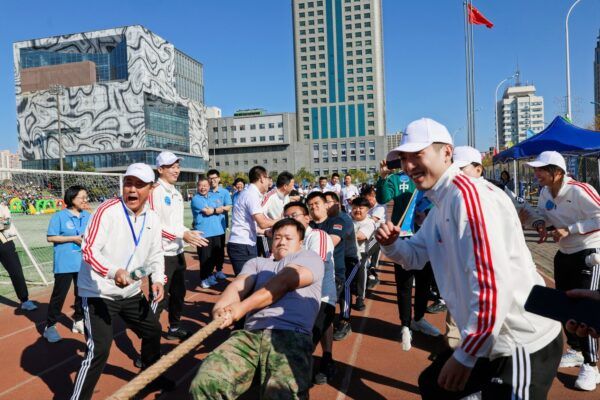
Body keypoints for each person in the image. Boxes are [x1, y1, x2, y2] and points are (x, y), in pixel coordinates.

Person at [376, 117, 562, 399]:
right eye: (403, 158)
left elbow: (491, 284)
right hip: (491, 340)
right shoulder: (441, 203)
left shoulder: (468, 198)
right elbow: (414, 254)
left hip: (519, 343)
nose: (408, 166)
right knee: (433, 385)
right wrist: (390, 245)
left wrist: (466, 355)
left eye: (417, 154)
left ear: (447, 152)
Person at [190, 219, 324, 399]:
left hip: (291, 335)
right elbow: (238, 286)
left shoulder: (309, 257)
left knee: (282, 394)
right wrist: (220, 309)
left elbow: (284, 282)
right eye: (277, 237)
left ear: (300, 243)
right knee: (206, 383)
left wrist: (240, 309)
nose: (281, 241)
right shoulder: (257, 263)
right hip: (249, 335)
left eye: (288, 238)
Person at [70, 163, 172, 400]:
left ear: (151, 189)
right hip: (98, 293)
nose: (132, 190)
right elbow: (89, 250)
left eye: (139, 185)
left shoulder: (152, 218)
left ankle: (149, 376)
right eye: (128, 183)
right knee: (99, 351)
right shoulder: (107, 211)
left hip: (131, 293)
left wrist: (157, 279)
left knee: (152, 330)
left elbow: (156, 253)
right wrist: (113, 271)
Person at [525, 151, 600, 391]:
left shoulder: (579, 190)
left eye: (541, 170)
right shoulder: (545, 193)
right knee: (565, 304)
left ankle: (591, 365)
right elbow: (544, 215)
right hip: (564, 254)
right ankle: (576, 350)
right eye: (535, 169)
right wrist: (540, 224)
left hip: (589, 253)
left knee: (585, 309)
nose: (536, 174)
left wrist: (571, 229)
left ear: (557, 172)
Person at [376, 152, 440, 351]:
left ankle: (419, 318)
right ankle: (405, 324)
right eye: (403, 159)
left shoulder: (427, 177)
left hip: (425, 235)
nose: (408, 163)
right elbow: (382, 198)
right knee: (403, 284)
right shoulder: (396, 178)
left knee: (424, 281)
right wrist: (383, 177)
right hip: (402, 235)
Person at [151, 152, 208, 340]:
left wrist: (188, 233)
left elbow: (175, 224)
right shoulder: (155, 191)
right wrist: (183, 234)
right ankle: (148, 345)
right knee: (158, 299)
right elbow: (154, 226)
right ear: (160, 169)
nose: (177, 170)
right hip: (161, 254)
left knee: (178, 294)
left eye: (177, 166)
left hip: (178, 251)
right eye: (172, 167)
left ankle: (174, 328)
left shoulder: (175, 193)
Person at [283, 201, 337, 385]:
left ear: (307, 218)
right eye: (286, 217)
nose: (290, 219)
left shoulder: (318, 235)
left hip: (321, 296)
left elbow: (316, 265)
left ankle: (326, 360)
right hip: (295, 295)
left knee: (306, 341)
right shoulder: (287, 240)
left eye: (294, 215)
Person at [43, 185, 91, 343]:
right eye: (82, 197)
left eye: (86, 197)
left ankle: (78, 320)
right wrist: (74, 238)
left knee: (81, 293)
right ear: (71, 199)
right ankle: (50, 326)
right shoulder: (59, 216)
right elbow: (51, 237)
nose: (85, 200)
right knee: (59, 295)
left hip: (83, 262)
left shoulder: (87, 216)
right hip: (64, 263)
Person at [323, 191, 360, 341]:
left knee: (345, 286)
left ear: (337, 204)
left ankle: (345, 320)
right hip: (334, 260)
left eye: (328, 202)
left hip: (349, 260)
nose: (325, 205)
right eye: (323, 202)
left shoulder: (344, 219)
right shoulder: (325, 219)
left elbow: (335, 239)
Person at [227, 166, 276, 275]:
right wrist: (282, 221)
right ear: (262, 178)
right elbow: (263, 223)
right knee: (246, 283)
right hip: (242, 246)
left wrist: (266, 232)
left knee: (250, 281)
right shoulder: (251, 194)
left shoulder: (250, 193)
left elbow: (249, 224)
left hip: (244, 245)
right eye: (268, 178)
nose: (269, 182)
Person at [0, 201, 37, 311]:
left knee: (16, 270)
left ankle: (24, 300)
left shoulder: (2, 207)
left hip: (4, 242)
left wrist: (2, 223)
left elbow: (6, 223)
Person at [191, 175, 225, 289]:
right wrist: (216, 209)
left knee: (215, 257)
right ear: (197, 187)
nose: (203, 188)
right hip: (204, 233)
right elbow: (208, 211)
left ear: (209, 186)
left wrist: (215, 209)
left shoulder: (213, 196)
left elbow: (220, 208)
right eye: (200, 186)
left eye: (205, 185)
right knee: (205, 258)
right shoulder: (196, 199)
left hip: (217, 231)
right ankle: (204, 278)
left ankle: (210, 275)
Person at [256, 171, 294, 257]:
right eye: (292, 185)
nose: (293, 188)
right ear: (285, 186)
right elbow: (258, 215)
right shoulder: (270, 196)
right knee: (269, 261)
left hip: (280, 234)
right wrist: (264, 230)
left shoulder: (287, 197)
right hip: (267, 235)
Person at [349, 197, 376, 311]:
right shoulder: (348, 220)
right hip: (348, 250)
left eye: (361, 208)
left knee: (362, 266)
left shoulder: (369, 223)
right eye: (355, 208)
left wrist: (341, 234)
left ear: (367, 210)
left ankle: (360, 297)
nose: (357, 210)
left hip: (363, 250)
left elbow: (360, 237)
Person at [207, 169, 232, 280]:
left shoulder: (224, 192)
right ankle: (209, 272)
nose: (213, 180)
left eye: (214, 178)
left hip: (220, 227)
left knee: (219, 250)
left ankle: (219, 270)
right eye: (210, 178)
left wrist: (217, 210)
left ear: (219, 178)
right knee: (208, 252)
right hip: (207, 228)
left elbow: (228, 206)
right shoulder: (205, 191)